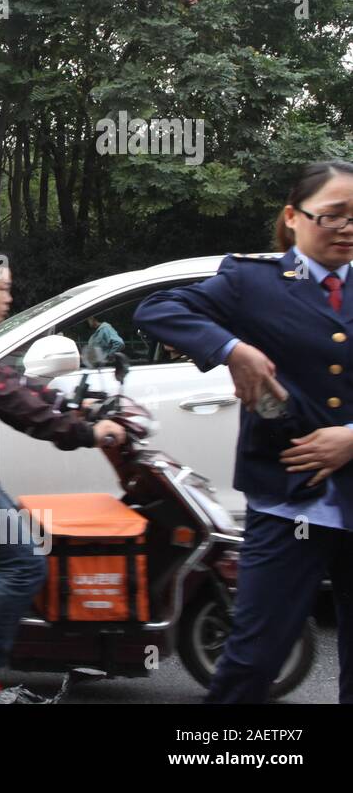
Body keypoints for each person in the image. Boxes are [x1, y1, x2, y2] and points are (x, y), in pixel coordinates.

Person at [135, 160, 353, 704]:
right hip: (287, 504)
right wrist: (234, 350)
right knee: (253, 658)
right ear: (293, 217)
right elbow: (158, 307)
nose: (348, 228)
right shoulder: (252, 281)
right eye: (334, 215)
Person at [0, 249, 127, 703]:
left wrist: (66, 402)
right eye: (3, 289)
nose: (9, 298)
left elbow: (11, 383)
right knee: (25, 563)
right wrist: (84, 431)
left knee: (21, 542)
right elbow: (7, 398)